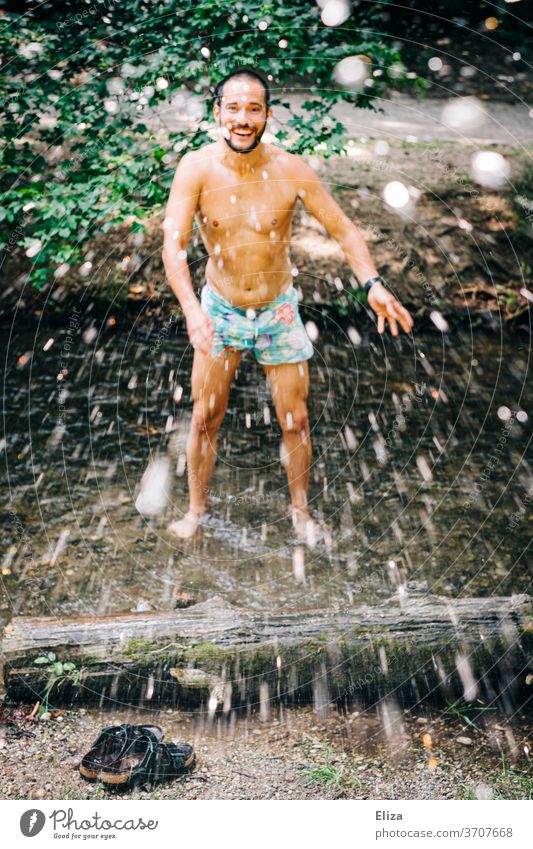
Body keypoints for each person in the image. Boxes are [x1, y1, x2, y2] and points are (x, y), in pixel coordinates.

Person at [162, 68, 413, 542]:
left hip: (278, 309)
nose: (242, 118)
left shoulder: (291, 168)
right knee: (203, 418)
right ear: (217, 113)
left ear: (267, 115)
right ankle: (196, 511)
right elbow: (172, 244)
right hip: (219, 310)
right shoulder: (196, 167)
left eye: (253, 109)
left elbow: (342, 228)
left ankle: (300, 512)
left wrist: (373, 282)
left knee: (295, 419)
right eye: (232, 108)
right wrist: (194, 312)